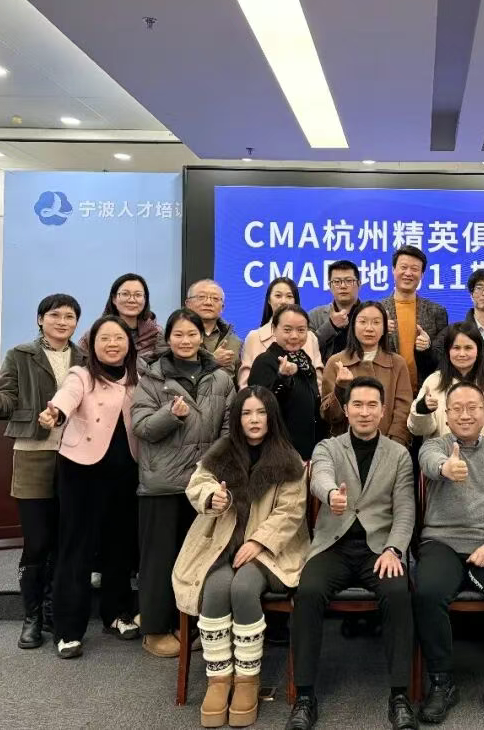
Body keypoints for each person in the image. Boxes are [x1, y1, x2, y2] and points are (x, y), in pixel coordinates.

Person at [173, 386, 309, 727]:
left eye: (261, 412)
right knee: (216, 588)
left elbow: (291, 512)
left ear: (271, 417)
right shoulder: (221, 451)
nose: (254, 419)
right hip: (222, 543)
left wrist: (259, 542)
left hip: (271, 551)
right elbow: (198, 483)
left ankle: (248, 678)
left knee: (244, 587)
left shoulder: (288, 459)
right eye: (247, 413)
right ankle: (219, 678)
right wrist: (211, 497)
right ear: (237, 418)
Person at [286, 377, 416, 730]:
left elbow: (405, 509)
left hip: (379, 548)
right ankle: (305, 696)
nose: (364, 412)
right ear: (346, 409)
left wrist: (393, 549)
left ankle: (400, 696)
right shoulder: (329, 447)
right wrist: (331, 495)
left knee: (397, 592)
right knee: (308, 592)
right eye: (357, 404)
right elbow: (319, 477)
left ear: (383, 410)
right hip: (334, 544)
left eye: (372, 405)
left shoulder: (398, 454)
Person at [414, 382, 484, 726]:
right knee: (428, 591)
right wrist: (446, 468)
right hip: (442, 540)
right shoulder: (435, 445)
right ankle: (441, 681)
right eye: (457, 408)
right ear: (446, 414)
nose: (465, 415)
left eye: (472, 407)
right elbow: (429, 462)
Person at [0, 293, 85, 650]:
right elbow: (6, 402)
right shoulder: (20, 354)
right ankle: (32, 616)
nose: (62, 322)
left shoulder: (85, 358)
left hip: (75, 455)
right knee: (37, 540)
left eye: (69, 316)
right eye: (55, 315)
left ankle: (55, 611)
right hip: (33, 453)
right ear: (41, 319)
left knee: (64, 539)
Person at [131, 308, 234, 658]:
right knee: (159, 560)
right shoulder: (152, 377)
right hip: (162, 483)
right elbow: (141, 428)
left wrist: (210, 465)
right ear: (168, 338)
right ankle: (155, 629)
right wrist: (170, 415)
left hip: (202, 484)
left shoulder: (220, 377)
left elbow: (228, 428)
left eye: (192, 334)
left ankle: (187, 625)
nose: (186, 340)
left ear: (201, 337)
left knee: (197, 559)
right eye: (178, 334)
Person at [43, 316, 142, 659]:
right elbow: (65, 399)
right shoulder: (81, 375)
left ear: (129, 344)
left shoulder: (138, 378)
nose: (112, 344)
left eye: (119, 338)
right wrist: (55, 413)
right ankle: (68, 629)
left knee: (120, 546)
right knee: (77, 548)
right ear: (92, 345)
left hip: (126, 470)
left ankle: (116, 613)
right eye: (105, 339)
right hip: (82, 470)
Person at [321, 301, 411, 446]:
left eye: (376, 322)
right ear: (353, 326)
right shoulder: (336, 362)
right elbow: (329, 416)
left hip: (388, 447)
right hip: (344, 448)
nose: (369, 328)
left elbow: (403, 411)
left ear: (384, 328)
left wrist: (394, 446)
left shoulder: (397, 363)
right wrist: (340, 388)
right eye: (363, 322)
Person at [409, 322, 484, 445]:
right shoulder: (434, 382)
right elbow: (418, 430)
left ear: (478, 350)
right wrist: (422, 410)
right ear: (448, 351)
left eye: (468, 348)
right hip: (441, 455)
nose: (462, 354)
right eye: (456, 348)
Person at [246, 305, 320, 461]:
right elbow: (262, 407)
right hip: (278, 453)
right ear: (274, 329)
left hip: (307, 451)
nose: (294, 336)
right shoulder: (265, 361)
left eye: (301, 330)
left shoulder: (305, 361)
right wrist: (283, 378)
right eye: (287, 330)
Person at [380, 245, 449, 394]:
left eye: (415, 269)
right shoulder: (377, 311)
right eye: (403, 267)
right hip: (386, 391)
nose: (408, 273)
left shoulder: (437, 312)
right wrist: (379, 332)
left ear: (422, 274)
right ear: (393, 270)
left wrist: (428, 347)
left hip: (425, 393)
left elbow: (443, 359)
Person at [238, 277, 323, 388]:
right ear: (269, 300)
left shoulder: (310, 337)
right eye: (278, 296)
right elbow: (245, 386)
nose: (283, 301)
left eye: (289, 296)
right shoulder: (254, 337)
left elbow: (318, 384)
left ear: (295, 301)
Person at [79, 272, 165, 360]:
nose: (132, 300)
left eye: (138, 295)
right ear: (114, 299)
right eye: (125, 294)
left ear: (145, 299)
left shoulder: (157, 334)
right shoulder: (94, 334)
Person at [185, 279, 243, 379]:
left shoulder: (235, 342)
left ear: (222, 307)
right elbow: (171, 373)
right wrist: (212, 360)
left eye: (215, 299)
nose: (208, 303)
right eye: (201, 297)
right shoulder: (174, 336)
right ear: (188, 303)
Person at [309, 260, 363, 361]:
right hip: (327, 370)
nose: (343, 286)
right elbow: (305, 348)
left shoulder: (372, 314)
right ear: (330, 286)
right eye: (337, 282)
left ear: (359, 284)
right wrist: (331, 325)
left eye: (348, 281)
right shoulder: (315, 316)